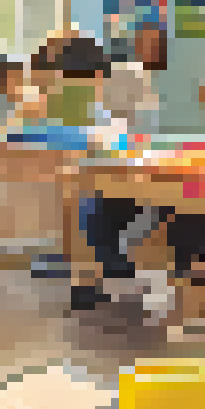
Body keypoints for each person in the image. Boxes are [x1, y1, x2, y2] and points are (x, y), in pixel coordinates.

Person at [74, 23, 173, 311]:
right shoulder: (128, 75)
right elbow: (116, 122)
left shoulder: (145, 78)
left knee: (104, 210)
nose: (146, 47)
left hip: (149, 167)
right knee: (99, 208)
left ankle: (115, 273)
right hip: (126, 163)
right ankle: (113, 273)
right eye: (143, 40)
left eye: (152, 42)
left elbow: (145, 128)